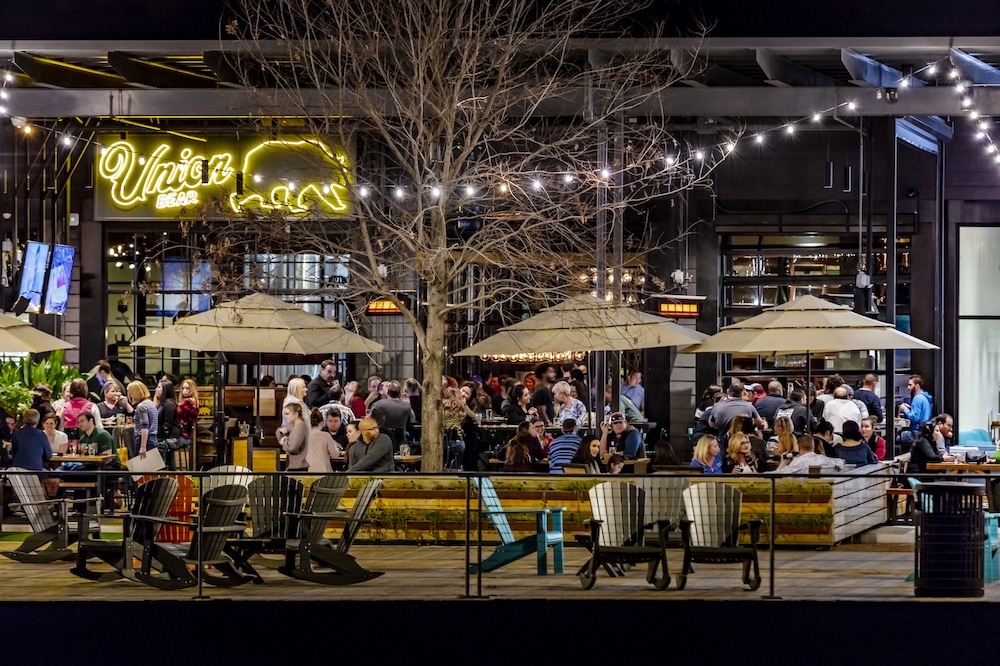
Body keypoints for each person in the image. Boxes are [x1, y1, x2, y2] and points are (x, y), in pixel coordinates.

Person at [59, 378, 101, 453]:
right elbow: (99, 427)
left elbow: (61, 429)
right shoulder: (92, 406)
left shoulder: (64, 407)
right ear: (85, 390)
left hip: (70, 447)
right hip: (89, 446)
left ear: (71, 391)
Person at [370, 381, 414, 452]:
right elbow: (413, 418)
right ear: (400, 392)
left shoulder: (378, 404)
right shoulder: (406, 406)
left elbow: (370, 420)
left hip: (381, 439)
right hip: (401, 440)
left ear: (388, 392)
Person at [769, 435, 844, 474]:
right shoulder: (823, 458)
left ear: (799, 447)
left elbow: (780, 474)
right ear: (813, 447)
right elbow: (840, 461)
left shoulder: (799, 462)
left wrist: (783, 464)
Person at [897, 374, 932, 448]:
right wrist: (910, 409)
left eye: (910, 385)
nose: (908, 387)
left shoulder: (917, 398)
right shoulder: (926, 398)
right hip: (923, 431)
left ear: (917, 385)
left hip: (915, 433)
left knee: (892, 438)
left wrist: (905, 409)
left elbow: (915, 417)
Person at [127, 381, 158, 460]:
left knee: (142, 469)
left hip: (144, 439)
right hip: (153, 438)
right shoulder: (151, 403)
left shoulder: (141, 406)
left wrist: (143, 447)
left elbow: (144, 427)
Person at [305, 408, 342, 473]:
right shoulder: (326, 435)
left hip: (310, 472)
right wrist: (338, 448)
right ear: (322, 423)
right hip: (324, 472)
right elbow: (335, 455)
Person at [277, 402, 310, 472]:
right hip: (292, 466)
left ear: (296, 414)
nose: (285, 417)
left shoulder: (301, 426)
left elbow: (292, 448)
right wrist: (280, 431)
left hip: (299, 467)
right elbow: (279, 434)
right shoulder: (292, 426)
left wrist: (284, 441)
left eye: (287, 414)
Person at [155, 378, 180, 443]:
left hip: (169, 436)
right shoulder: (162, 403)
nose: (156, 389)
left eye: (159, 387)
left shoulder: (169, 404)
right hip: (162, 434)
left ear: (165, 390)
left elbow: (167, 425)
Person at [176, 379, 199, 448]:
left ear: (192, 389)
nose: (184, 390)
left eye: (187, 388)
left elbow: (175, 413)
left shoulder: (187, 401)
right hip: (186, 435)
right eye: (183, 388)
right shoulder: (194, 400)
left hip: (182, 435)